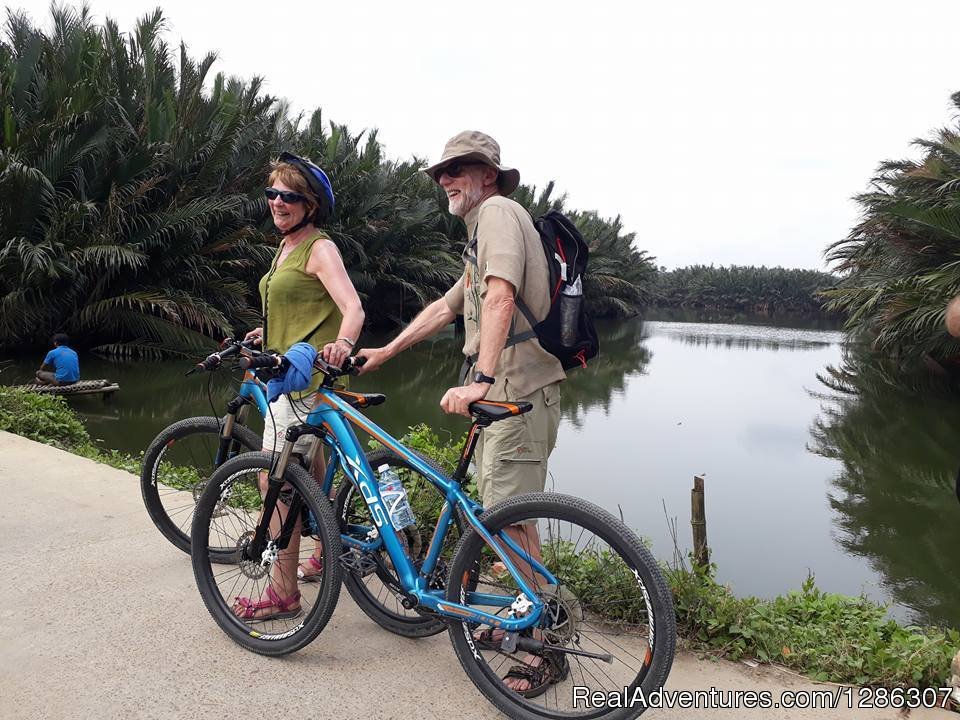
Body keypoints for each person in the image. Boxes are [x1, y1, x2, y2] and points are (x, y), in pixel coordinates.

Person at [357, 130, 565, 694]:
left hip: (514, 390)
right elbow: (447, 307)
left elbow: (499, 297)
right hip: (507, 393)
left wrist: (478, 380)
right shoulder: (481, 233)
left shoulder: (497, 212)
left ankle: (542, 645)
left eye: (458, 169)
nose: (446, 179)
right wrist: (387, 351)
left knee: (509, 520)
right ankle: (530, 618)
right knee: (504, 516)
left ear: (489, 175)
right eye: (441, 173)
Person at [234, 152, 364, 622]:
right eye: (272, 193)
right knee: (314, 475)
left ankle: (283, 591)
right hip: (287, 372)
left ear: (310, 205)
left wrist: (343, 343)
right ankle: (327, 552)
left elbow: (352, 308)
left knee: (276, 478)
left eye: (290, 196)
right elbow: (297, 308)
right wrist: (263, 334)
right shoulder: (286, 246)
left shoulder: (319, 248)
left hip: (303, 382)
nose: (278, 202)